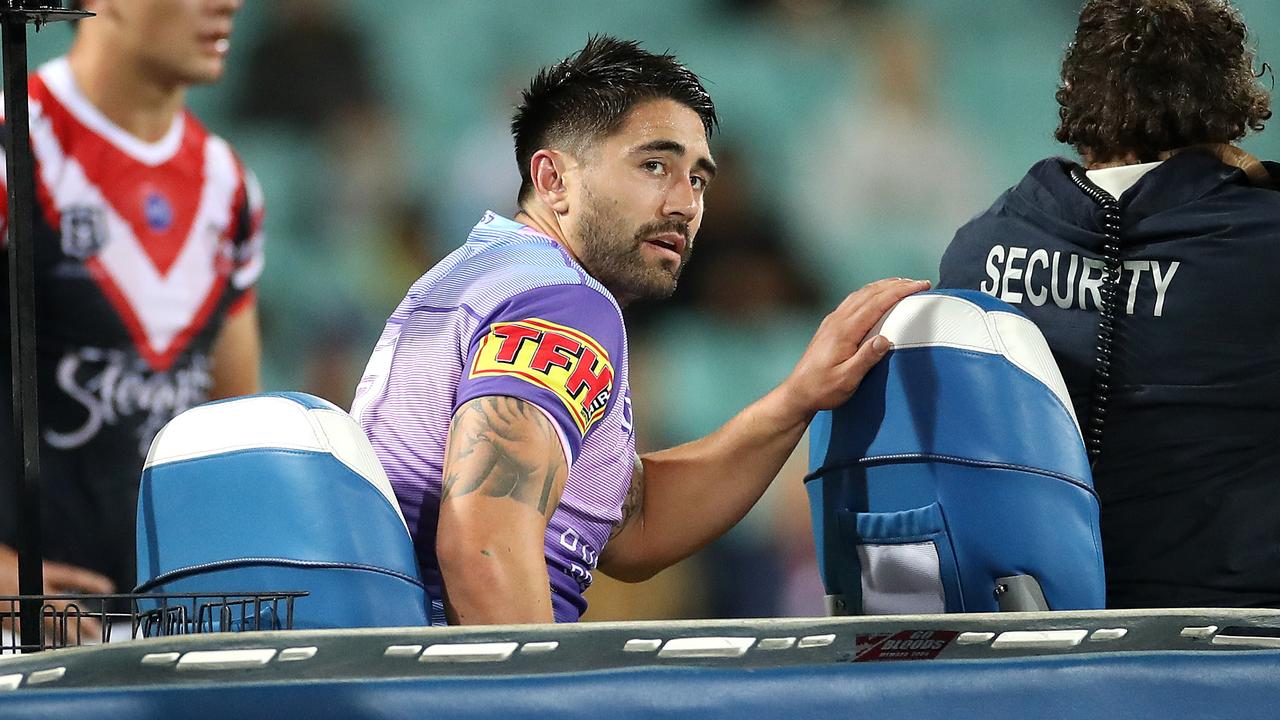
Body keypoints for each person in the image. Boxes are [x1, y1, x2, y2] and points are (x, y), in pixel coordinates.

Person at [352, 35, 928, 625]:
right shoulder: (563, 304)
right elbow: (483, 548)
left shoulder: (485, 275)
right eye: (653, 165)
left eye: (698, 178)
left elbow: (631, 523)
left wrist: (797, 399)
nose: (686, 204)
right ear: (552, 179)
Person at [939, 0, 1279, 608]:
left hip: (1041, 636)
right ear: (1229, 101)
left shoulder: (978, 250)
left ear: (1079, 95)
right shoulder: (1264, 244)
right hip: (1241, 641)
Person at [0, 0, 264, 606]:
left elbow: (237, 426)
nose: (228, 4)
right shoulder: (16, 146)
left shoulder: (230, 187)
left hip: (163, 628)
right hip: (21, 641)